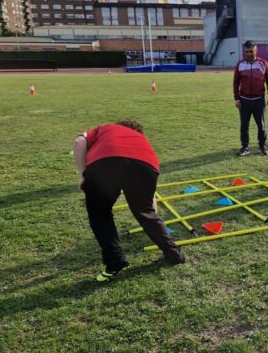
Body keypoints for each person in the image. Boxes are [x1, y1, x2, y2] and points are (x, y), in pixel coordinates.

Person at [72, 119, 185, 282]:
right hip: (146, 165)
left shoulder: (106, 128)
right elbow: (150, 201)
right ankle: (174, 254)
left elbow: (78, 141)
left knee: (100, 213)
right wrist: (151, 217)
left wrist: (83, 174)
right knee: (145, 212)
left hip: (107, 162)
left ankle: (115, 260)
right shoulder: (141, 140)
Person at [233, 40, 268, 155]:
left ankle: (262, 147)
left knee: (261, 125)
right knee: (244, 125)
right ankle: (245, 148)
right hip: (244, 100)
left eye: (251, 51)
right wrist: (236, 99)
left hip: (259, 100)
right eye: (247, 51)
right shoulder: (240, 64)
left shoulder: (263, 63)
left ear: (256, 50)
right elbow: (236, 82)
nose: (249, 54)